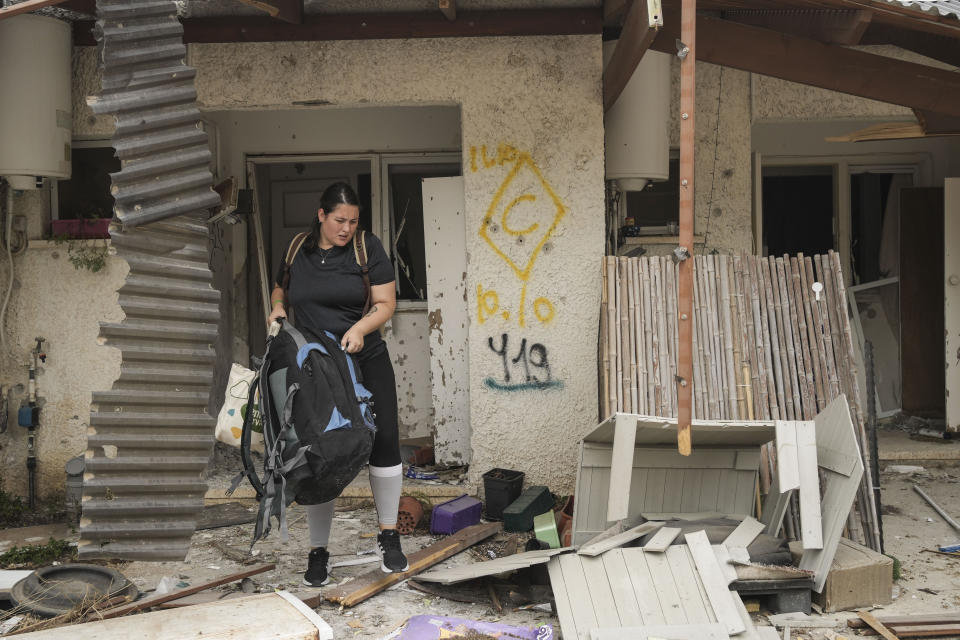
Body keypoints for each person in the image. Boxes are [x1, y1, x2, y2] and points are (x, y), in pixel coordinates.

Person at [268, 182, 408, 587]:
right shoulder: (298, 248)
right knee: (321, 449)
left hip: (365, 358)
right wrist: (277, 307)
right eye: (339, 220)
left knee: (384, 443)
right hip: (316, 366)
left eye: (353, 221)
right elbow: (282, 287)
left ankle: (388, 535)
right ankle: (318, 551)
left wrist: (362, 328)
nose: (346, 228)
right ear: (321, 215)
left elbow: (386, 304)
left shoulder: (368, 248)